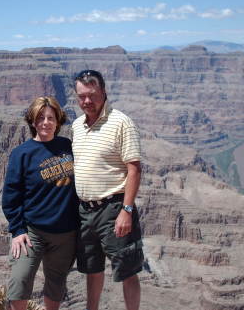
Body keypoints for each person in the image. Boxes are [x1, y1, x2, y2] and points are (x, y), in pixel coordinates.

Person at [72, 70, 144, 310]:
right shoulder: (77, 126)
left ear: (103, 92)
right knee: (91, 269)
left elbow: (134, 169)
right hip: (84, 211)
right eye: (81, 96)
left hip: (113, 208)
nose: (87, 102)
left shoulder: (121, 122)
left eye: (92, 95)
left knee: (127, 270)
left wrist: (126, 210)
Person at [2, 96, 79, 310]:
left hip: (65, 233)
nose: (46, 122)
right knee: (20, 280)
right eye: (40, 118)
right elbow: (10, 195)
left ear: (58, 121)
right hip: (32, 232)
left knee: (56, 285)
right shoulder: (21, 154)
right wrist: (17, 230)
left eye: (50, 118)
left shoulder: (67, 146)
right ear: (33, 122)